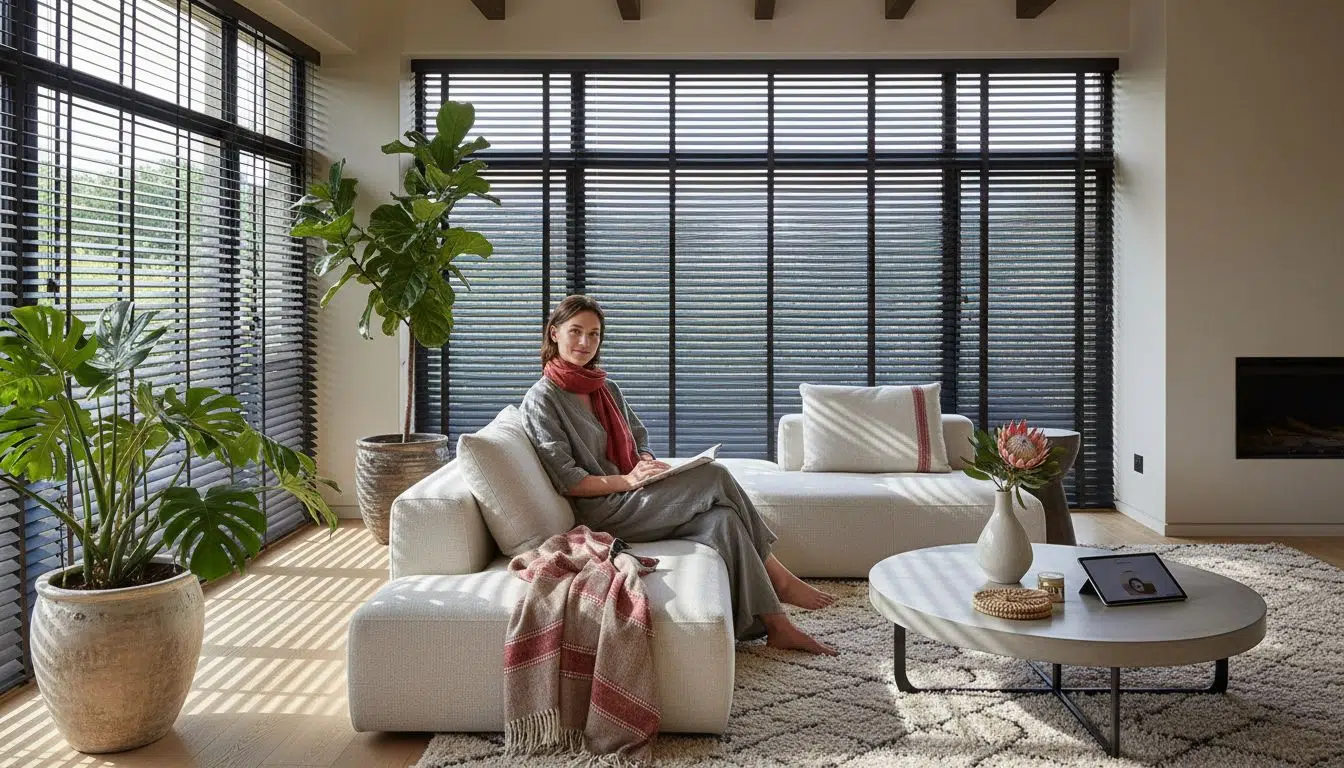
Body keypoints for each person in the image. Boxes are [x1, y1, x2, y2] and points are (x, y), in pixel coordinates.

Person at [519, 294, 838, 656]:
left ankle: (777, 626)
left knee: (725, 520)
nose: (584, 343)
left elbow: (638, 437)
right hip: (602, 509)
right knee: (715, 475)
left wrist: (647, 464)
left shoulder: (604, 387)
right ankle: (780, 578)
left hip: (635, 493)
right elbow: (569, 480)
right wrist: (629, 481)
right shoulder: (541, 399)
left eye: (594, 335)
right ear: (554, 333)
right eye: (575, 332)